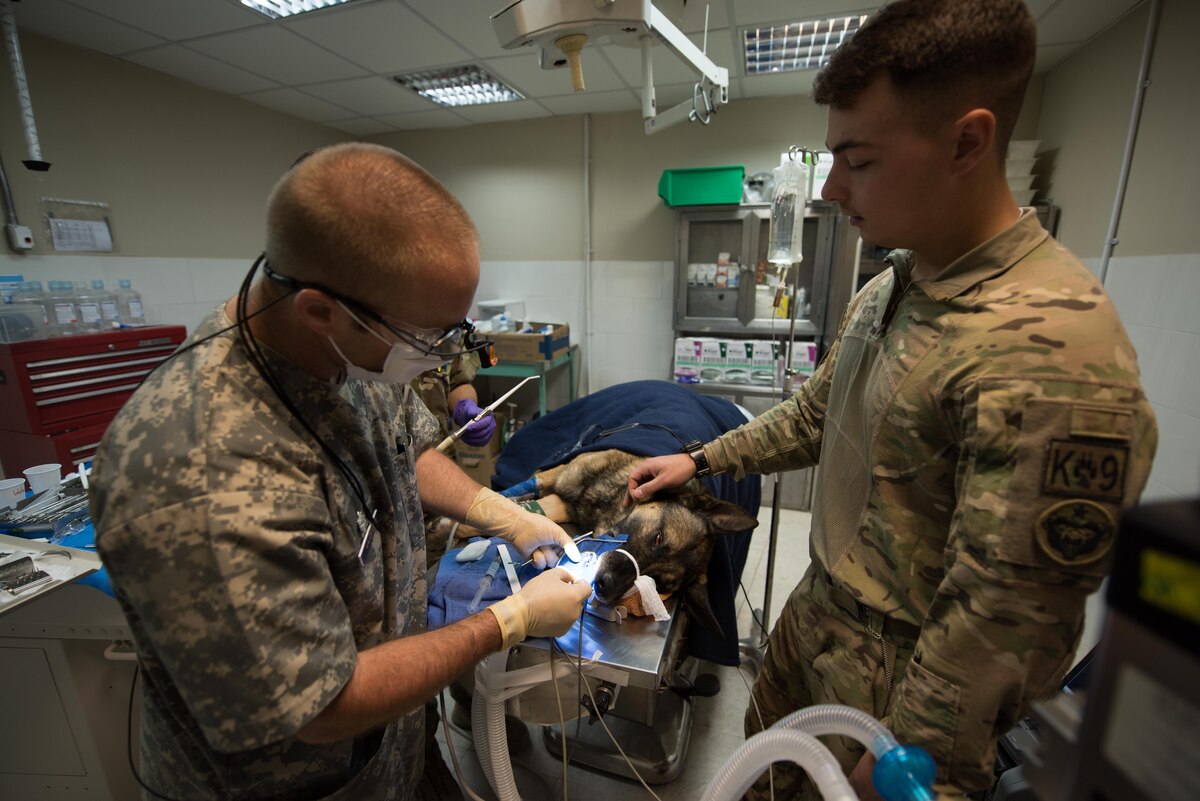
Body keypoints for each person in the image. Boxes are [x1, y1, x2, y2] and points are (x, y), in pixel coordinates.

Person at [626, 2, 1158, 799]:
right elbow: (816, 416)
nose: (834, 187)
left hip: (905, 694)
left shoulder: (1050, 349)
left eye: (858, 159)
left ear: (967, 142)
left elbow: (1005, 611)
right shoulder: (894, 286)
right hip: (822, 620)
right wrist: (700, 457)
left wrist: (914, 749)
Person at [89, 143, 592, 801]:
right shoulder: (200, 475)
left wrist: (505, 515)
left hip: (394, 748)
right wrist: (509, 620)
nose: (441, 357)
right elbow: (323, 704)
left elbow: (407, 449)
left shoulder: (339, 351)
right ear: (321, 310)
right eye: (425, 340)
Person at [412, 353, 495, 568]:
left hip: (438, 455)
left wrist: (465, 406)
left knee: (436, 557)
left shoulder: (450, 332)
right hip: (387, 466)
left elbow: (457, 381)